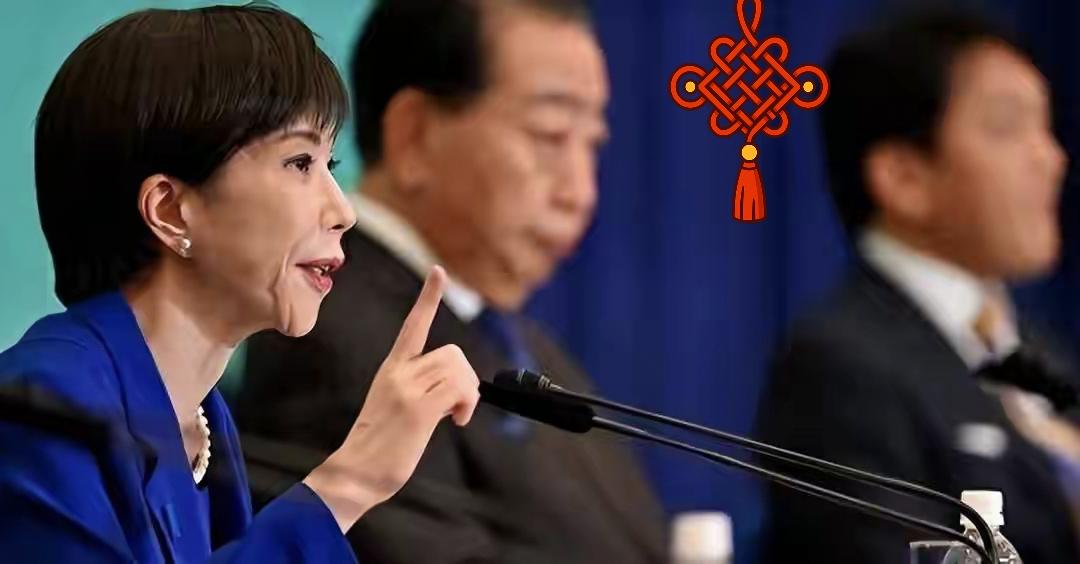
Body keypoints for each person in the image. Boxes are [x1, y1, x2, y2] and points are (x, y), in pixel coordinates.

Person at [0, 5, 480, 563]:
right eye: (299, 163)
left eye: (330, 164)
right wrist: (350, 481)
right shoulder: (41, 408)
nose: (343, 210)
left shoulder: (203, 418)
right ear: (170, 210)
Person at [234, 0, 667, 562]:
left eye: (593, 144)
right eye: (551, 135)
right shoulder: (331, 339)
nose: (580, 192)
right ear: (415, 136)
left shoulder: (523, 345)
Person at [754, 11, 1080, 564]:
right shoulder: (838, 370)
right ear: (904, 177)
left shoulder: (1038, 351)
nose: (1050, 158)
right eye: (1007, 127)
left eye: (1045, 128)